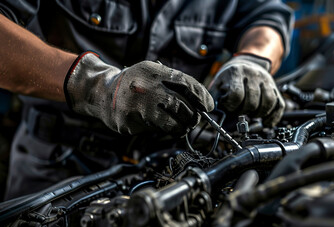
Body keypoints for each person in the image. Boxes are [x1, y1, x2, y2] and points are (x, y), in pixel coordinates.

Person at [0, 0, 294, 199]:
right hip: (58, 165)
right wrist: (97, 86)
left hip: (170, 164)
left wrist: (254, 59)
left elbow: (268, 15)